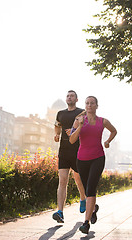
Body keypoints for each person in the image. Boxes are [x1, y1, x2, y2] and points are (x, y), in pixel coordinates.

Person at [69, 96, 117, 234]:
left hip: (98, 158)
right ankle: (93, 208)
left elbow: (114, 131)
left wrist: (107, 141)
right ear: (85, 106)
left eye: (92, 103)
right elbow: (72, 140)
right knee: (86, 189)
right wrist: (80, 127)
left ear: (97, 105)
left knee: (91, 188)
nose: (89, 105)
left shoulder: (103, 121)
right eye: (87, 103)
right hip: (81, 159)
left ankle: (86, 223)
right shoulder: (78, 120)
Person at [52, 90, 86, 223]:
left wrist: (75, 131)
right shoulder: (60, 113)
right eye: (68, 96)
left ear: (76, 99)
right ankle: (60, 212)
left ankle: (82, 198)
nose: (69, 97)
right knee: (62, 181)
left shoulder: (82, 112)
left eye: (72, 96)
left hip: (78, 151)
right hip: (64, 151)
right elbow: (57, 126)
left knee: (78, 179)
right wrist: (57, 134)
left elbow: (86, 128)